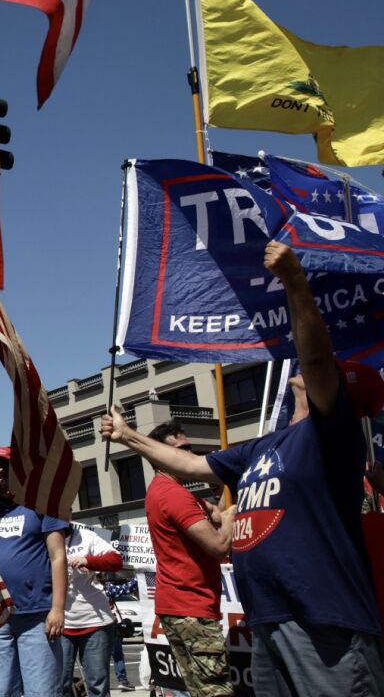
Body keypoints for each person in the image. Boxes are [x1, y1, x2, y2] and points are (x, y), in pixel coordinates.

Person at [102, 240, 384, 696]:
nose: (305, 373)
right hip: (269, 617)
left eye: (320, 374)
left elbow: (314, 358)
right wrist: (128, 436)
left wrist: (295, 283)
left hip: (322, 619)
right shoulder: (260, 448)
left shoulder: (329, 435)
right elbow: (191, 462)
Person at [129, 417, 234, 697]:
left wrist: (226, 491)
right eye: (182, 449)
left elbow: (217, 515)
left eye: (190, 448)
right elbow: (219, 545)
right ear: (161, 455)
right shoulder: (173, 495)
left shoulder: (168, 491)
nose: (191, 456)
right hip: (191, 606)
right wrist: (236, 510)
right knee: (215, 690)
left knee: (199, 690)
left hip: (180, 605)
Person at [0, 445, 68, 697]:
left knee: (42, 691)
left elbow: (58, 557)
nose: (3, 481)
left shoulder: (42, 505)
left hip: (37, 616)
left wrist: (57, 608)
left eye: (7, 473)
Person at [59, 524, 123, 697]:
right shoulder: (41, 538)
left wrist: (89, 560)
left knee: (97, 685)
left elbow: (117, 560)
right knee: (59, 685)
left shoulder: (87, 536)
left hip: (96, 620)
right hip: (60, 624)